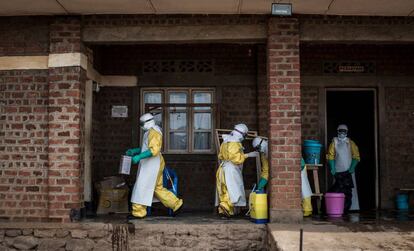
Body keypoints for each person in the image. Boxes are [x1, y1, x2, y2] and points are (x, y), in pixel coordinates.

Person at [126, 113, 183, 218]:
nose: (141, 125)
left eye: (142, 123)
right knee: (157, 188)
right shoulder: (149, 132)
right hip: (152, 164)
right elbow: (146, 148)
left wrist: (138, 157)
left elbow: (154, 150)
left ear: (148, 122)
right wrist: (135, 151)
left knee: (141, 186)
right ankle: (176, 204)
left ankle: (138, 212)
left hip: (152, 164)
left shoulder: (154, 132)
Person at [215, 124, 257, 217]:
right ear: (242, 134)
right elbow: (235, 158)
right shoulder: (234, 143)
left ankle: (225, 212)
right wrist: (248, 155)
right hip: (231, 169)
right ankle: (225, 208)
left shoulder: (226, 141)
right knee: (234, 191)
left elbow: (222, 156)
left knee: (225, 190)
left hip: (223, 168)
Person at [327, 124, 360, 212]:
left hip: (349, 171)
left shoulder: (351, 143)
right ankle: (338, 207)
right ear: (337, 131)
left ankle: (353, 208)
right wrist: (332, 168)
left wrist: (352, 167)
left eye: (344, 131)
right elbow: (330, 156)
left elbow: (356, 156)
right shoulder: (334, 142)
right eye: (340, 131)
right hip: (337, 172)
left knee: (350, 190)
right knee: (338, 189)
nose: (342, 133)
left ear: (347, 132)